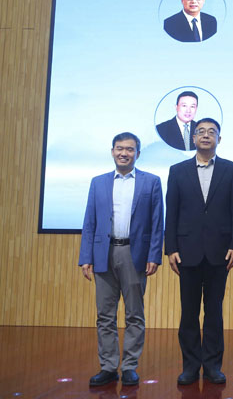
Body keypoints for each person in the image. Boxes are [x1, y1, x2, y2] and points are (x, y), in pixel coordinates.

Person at [78, 132, 164, 387]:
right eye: (119, 148)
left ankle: (129, 367)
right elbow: (89, 222)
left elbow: (157, 222)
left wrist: (154, 255)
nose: (124, 153)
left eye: (129, 149)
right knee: (105, 315)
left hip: (134, 254)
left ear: (138, 153)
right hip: (103, 253)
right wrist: (86, 257)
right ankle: (108, 367)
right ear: (112, 151)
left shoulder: (151, 182)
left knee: (134, 314)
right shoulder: (98, 183)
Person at [164, 118, 233, 386]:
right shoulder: (177, 171)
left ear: (219, 139)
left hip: (220, 252)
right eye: (201, 132)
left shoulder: (232, 170)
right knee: (188, 313)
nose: (206, 135)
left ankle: (212, 366)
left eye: (212, 132)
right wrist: (171, 248)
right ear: (194, 138)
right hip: (186, 251)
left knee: (214, 312)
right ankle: (190, 366)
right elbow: (172, 212)